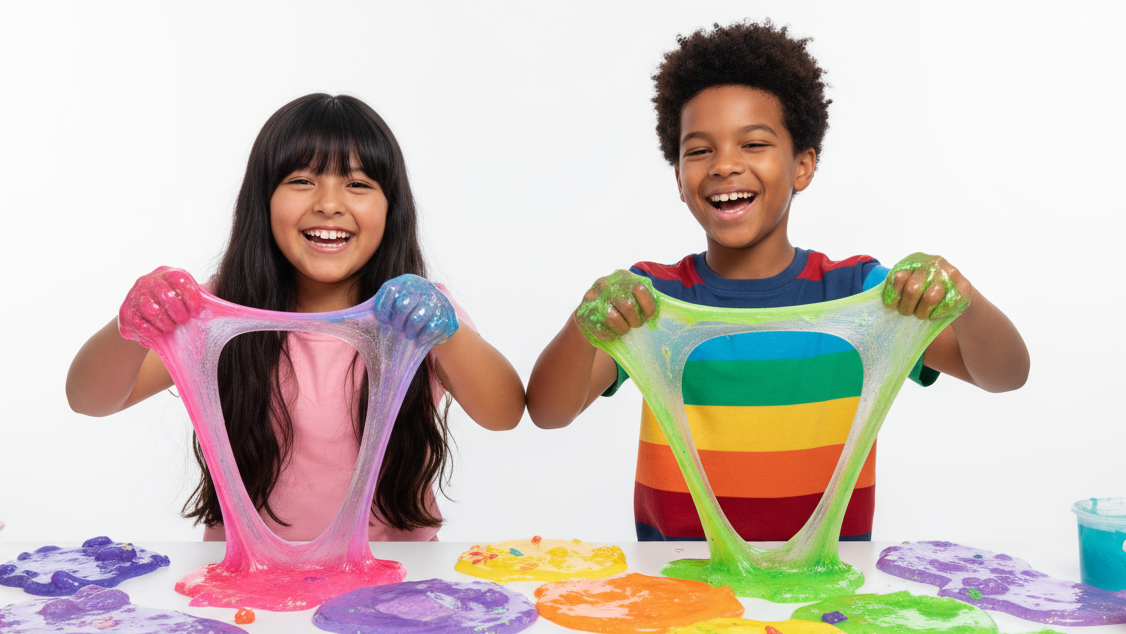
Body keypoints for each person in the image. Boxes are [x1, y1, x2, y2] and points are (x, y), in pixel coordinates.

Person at [526, 22, 1029, 542]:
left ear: (803, 166)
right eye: (698, 151)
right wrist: (586, 322)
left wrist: (960, 301)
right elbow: (547, 412)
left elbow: (1004, 374)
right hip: (681, 588)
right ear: (678, 178)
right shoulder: (652, 300)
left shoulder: (864, 295)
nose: (724, 164)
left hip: (825, 591)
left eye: (754, 143)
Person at [66, 94, 525, 542]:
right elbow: (90, 399)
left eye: (359, 184)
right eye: (302, 180)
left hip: (394, 580)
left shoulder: (418, 317)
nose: (329, 203)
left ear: (392, 209)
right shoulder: (213, 313)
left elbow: (504, 413)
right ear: (262, 201)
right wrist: (133, 324)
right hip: (245, 581)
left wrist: (445, 335)